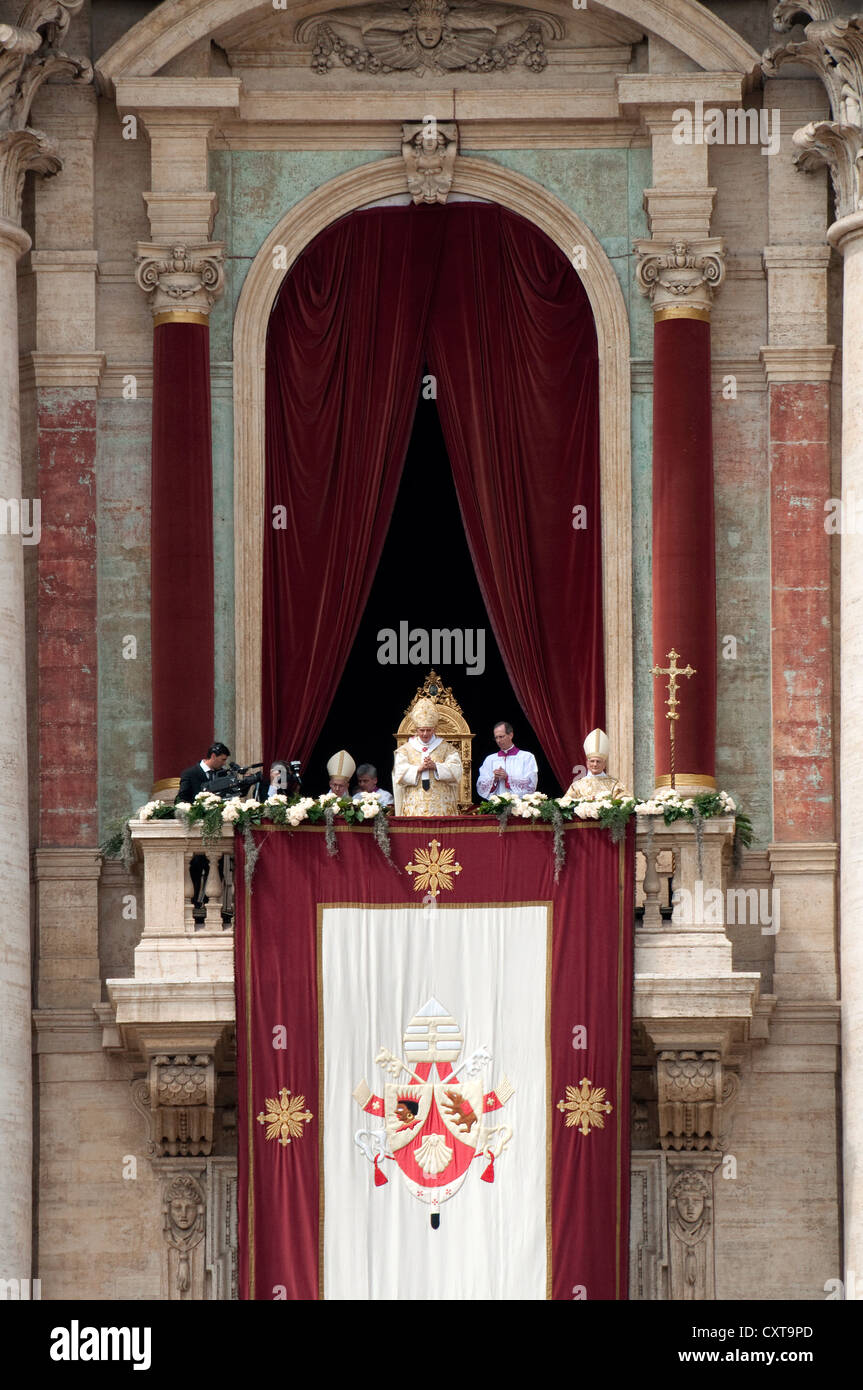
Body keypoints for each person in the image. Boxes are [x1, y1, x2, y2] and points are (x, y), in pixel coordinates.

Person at [393, 697, 462, 816]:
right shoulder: (405, 750)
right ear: (416, 729)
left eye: (429, 730)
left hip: (441, 805)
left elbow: (457, 771)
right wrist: (418, 769)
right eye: (422, 730)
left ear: (434, 729)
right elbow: (399, 774)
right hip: (414, 806)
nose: (425, 734)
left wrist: (436, 766)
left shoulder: (447, 749)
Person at [476, 721, 538, 799]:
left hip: (520, 806)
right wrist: (494, 779)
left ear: (511, 735)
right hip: (496, 806)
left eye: (501, 736)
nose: (498, 740)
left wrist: (507, 778)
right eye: (496, 737)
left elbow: (531, 784)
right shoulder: (490, 759)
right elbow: (480, 786)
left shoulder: (527, 757)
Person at [565, 729, 629, 800]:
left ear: (604, 764)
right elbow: (565, 803)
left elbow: (626, 802)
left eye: (598, 761)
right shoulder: (577, 786)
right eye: (592, 761)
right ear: (587, 763)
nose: (595, 764)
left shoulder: (615, 785)